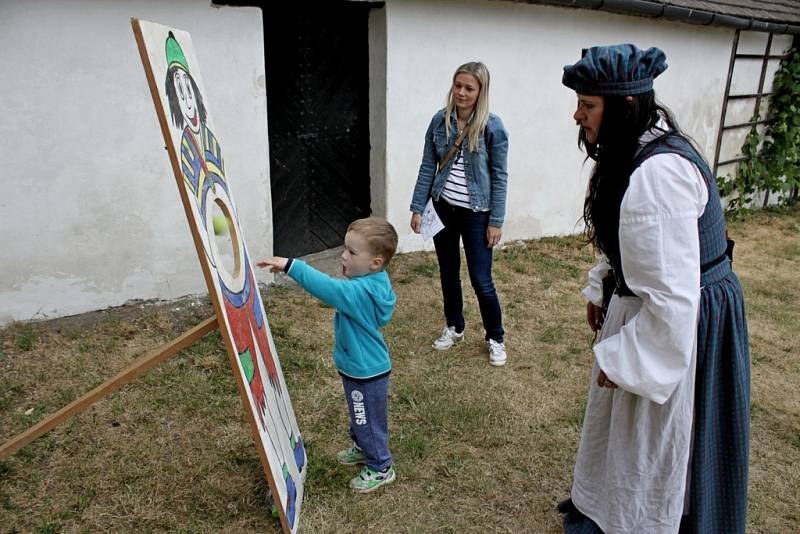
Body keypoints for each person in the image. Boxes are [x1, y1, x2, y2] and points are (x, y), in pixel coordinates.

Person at [557, 44, 750, 533]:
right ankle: (609, 508)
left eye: (588, 104)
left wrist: (627, 360)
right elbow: (630, 239)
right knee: (627, 432)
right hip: (654, 306)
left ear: (624, 105)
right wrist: (603, 286)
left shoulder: (659, 175)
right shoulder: (637, 148)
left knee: (653, 434)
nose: (577, 114)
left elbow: (671, 296)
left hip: (680, 326)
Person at [257, 217, 399, 494]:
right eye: (345, 248)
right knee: (361, 415)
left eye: (352, 252)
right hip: (359, 367)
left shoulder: (359, 292)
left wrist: (291, 265)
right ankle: (362, 447)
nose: (343, 255)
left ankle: (381, 466)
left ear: (375, 263)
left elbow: (328, 288)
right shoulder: (372, 282)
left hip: (366, 372)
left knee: (365, 416)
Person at [409, 61, 510, 366]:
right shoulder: (440, 123)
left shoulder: (493, 127)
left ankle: (496, 337)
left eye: (470, 88)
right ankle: (455, 326)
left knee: (482, 280)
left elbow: (500, 176)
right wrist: (418, 206)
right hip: (442, 208)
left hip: (477, 214)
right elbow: (428, 165)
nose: (462, 93)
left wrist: (496, 221)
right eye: (458, 86)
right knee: (448, 272)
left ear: (481, 91)